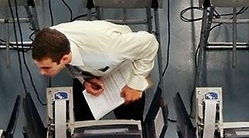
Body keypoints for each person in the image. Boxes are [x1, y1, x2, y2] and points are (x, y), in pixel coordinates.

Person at [31, 20, 159, 121]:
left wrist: (135, 85)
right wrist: (84, 79)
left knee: (131, 124)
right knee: (82, 125)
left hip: (122, 69)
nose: (41, 72)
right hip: (91, 71)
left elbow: (149, 43)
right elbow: (70, 63)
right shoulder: (53, 37)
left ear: (64, 58)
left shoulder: (108, 50)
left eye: (46, 68)